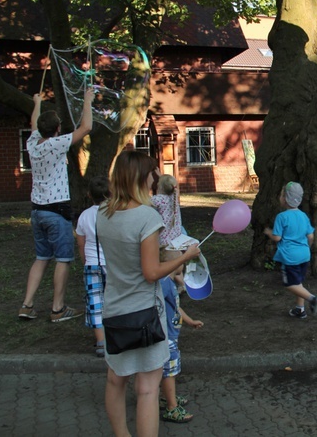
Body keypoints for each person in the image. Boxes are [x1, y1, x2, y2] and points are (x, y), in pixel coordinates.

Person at [97, 150, 200, 437]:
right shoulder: (146, 217)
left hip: (114, 308)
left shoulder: (103, 214)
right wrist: (184, 256)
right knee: (146, 389)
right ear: (143, 177)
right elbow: (152, 272)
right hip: (145, 313)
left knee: (115, 380)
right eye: (153, 171)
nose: (156, 177)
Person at [19, 89, 93, 322]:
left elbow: (34, 124)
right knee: (63, 259)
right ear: (58, 129)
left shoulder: (33, 143)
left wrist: (37, 102)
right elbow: (86, 128)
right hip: (56, 211)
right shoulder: (57, 143)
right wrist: (88, 101)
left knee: (42, 257)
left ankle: (27, 305)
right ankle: (58, 309)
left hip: (37, 211)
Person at [263, 182, 317, 319]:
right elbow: (311, 236)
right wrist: (307, 247)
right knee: (298, 283)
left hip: (290, 257)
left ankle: (313, 299)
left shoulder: (282, 217)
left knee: (289, 284)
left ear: (284, 198)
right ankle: (299, 310)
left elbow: (277, 238)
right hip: (304, 255)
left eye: (282, 194)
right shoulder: (303, 216)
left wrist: (268, 232)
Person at [159, 268, 203, 423]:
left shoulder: (168, 281)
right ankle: (172, 407)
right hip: (165, 336)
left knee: (167, 370)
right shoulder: (163, 282)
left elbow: (175, 307)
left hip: (171, 334)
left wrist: (189, 321)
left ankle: (164, 397)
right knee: (169, 371)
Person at [75, 176, 111, 357]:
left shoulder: (84, 216)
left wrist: (85, 260)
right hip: (112, 264)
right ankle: (116, 336)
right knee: (114, 300)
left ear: (90, 195)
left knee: (95, 302)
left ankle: (101, 341)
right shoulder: (114, 213)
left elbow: (81, 243)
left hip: (91, 263)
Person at [152, 174, 185, 289]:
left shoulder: (159, 199)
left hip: (164, 242)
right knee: (175, 264)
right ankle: (181, 284)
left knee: (167, 267)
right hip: (175, 239)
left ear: (159, 187)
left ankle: (172, 287)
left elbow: (143, 202)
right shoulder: (173, 198)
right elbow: (168, 184)